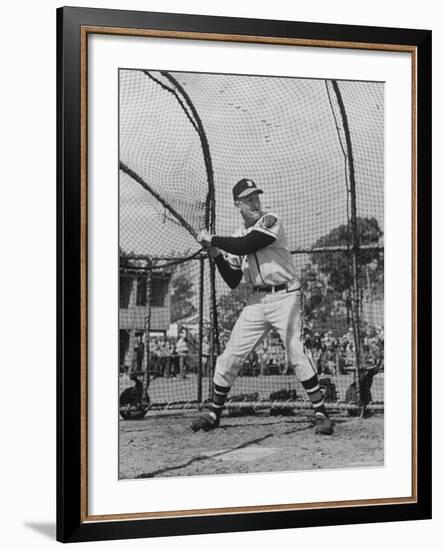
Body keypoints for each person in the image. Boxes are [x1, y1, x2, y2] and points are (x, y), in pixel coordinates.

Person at [191, 178, 333, 435]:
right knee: (229, 356)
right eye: (248, 199)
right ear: (238, 204)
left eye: (256, 197)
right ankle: (213, 413)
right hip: (257, 300)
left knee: (296, 353)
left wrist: (212, 238)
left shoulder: (270, 220)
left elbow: (249, 244)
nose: (255, 202)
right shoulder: (235, 236)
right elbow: (233, 280)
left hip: (286, 295)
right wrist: (215, 254)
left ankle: (321, 411)